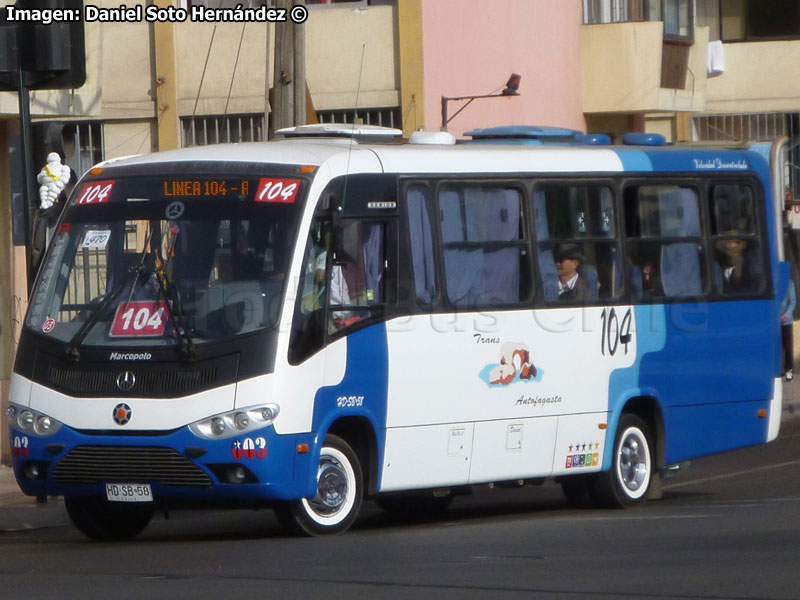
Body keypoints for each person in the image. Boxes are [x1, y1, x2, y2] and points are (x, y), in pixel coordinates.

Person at [781, 279, 796, 381]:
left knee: (788, 346)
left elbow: (793, 302)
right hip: (773, 321)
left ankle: (788, 370)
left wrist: (786, 315)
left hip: (786, 321)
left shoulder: (789, 283)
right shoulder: (770, 281)